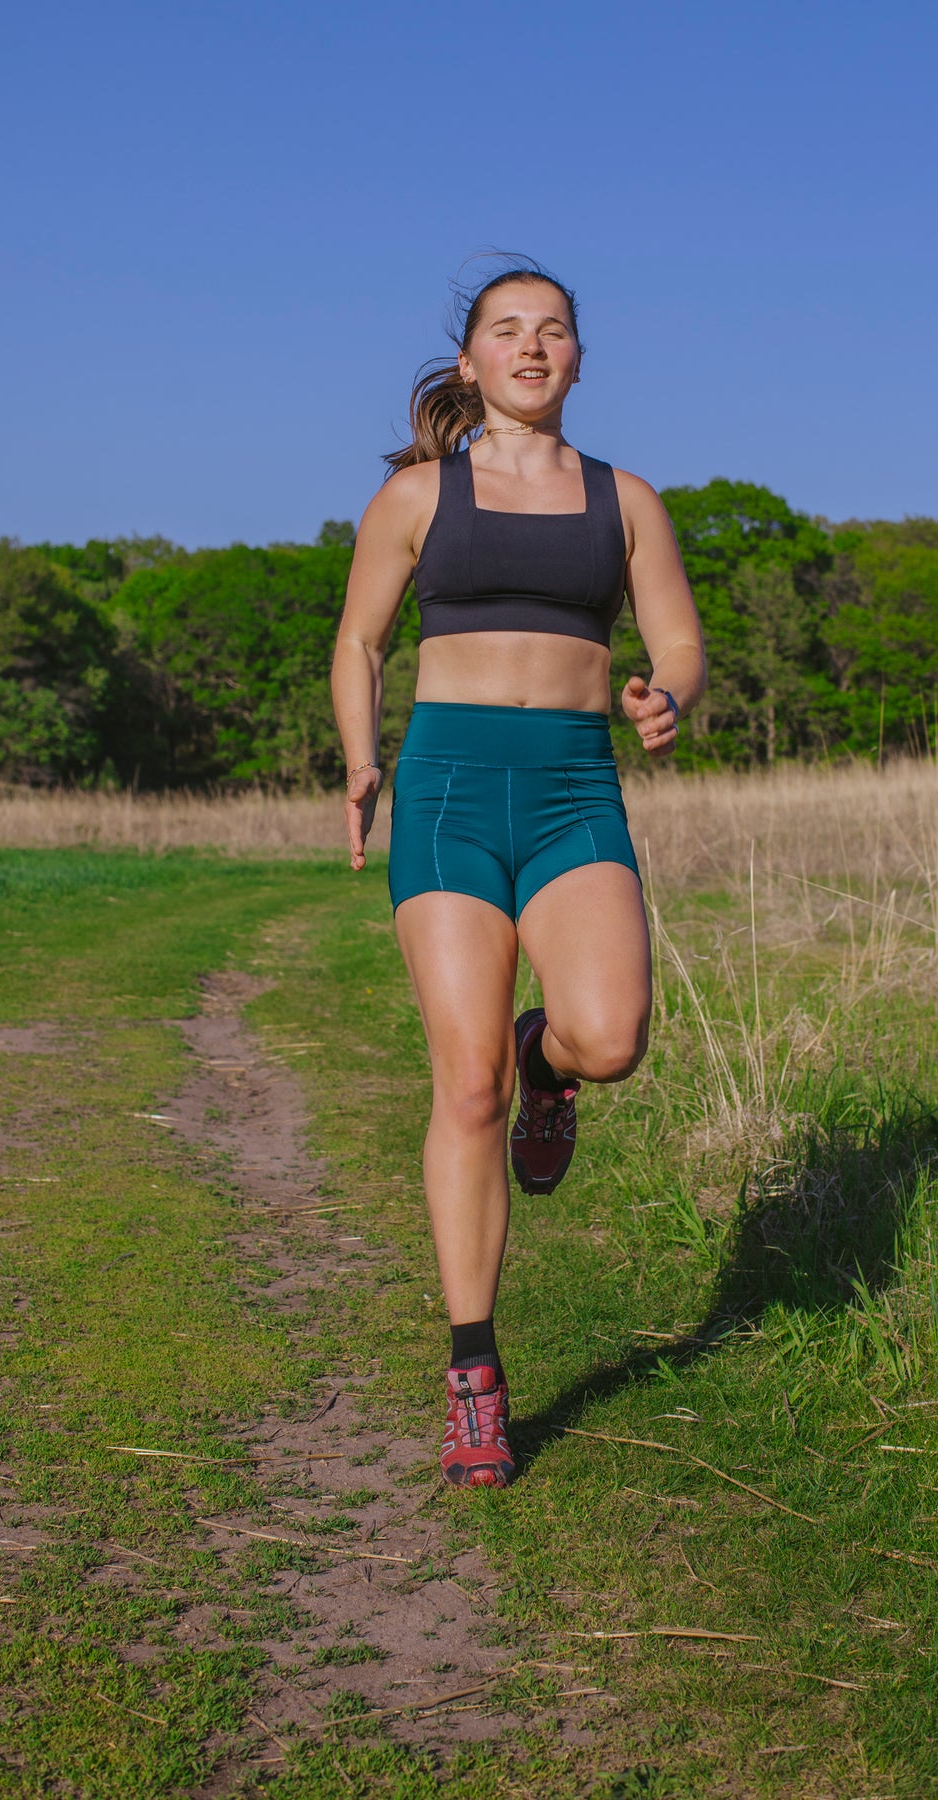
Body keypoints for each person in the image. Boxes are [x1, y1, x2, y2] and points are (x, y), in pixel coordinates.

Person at [330, 259, 706, 1487]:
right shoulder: (417, 498)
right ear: (469, 363)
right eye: (507, 329)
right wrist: (357, 760)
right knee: (465, 1083)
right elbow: (359, 639)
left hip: (568, 792)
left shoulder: (626, 500)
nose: (532, 346)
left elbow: (680, 639)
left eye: (554, 330)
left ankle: (553, 1060)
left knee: (610, 1035)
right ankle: (474, 1373)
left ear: (579, 359)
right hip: (444, 793)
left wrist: (666, 695)